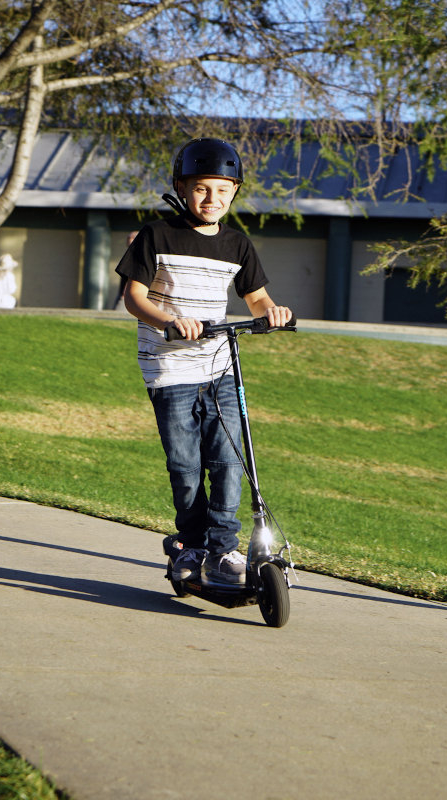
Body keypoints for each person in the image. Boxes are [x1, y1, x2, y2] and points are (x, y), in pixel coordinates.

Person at [116, 138, 291, 586]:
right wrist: (170, 320)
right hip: (169, 370)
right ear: (181, 187)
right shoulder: (158, 235)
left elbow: (256, 297)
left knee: (230, 461)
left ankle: (223, 547)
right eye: (201, 189)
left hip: (219, 367)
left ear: (234, 192)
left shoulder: (237, 243)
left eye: (222, 190)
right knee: (186, 465)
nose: (212, 199)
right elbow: (134, 298)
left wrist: (272, 312)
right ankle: (191, 544)